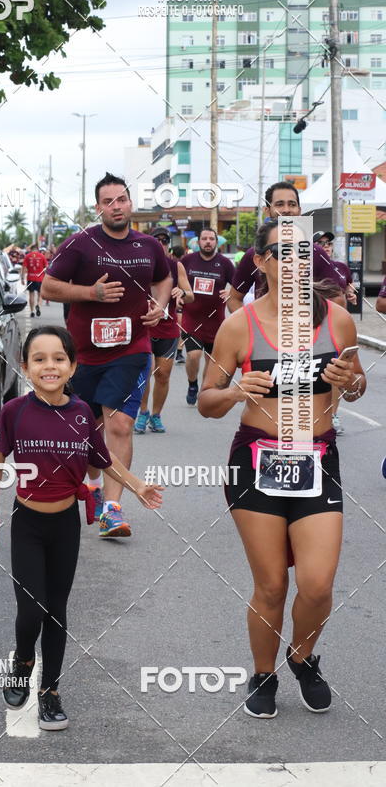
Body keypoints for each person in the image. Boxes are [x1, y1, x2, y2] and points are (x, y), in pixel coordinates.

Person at [199, 219, 366, 719]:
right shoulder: (239, 326)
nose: (294, 262)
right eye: (282, 253)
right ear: (260, 262)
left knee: (317, 583)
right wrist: (233, 392)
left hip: (317, 457)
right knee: (271, 584)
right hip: (257, 460)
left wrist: (349, 380)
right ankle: (263, 672)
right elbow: (208, 401)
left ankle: (303, 656)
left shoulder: (336, 321)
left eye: (302, 252)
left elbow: (356, 386)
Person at [0, 326, 163, 730]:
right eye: (40, 359)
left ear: (73, 366)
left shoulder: (81, 414)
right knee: (31, 609)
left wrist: (138, 486)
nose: (50, 366)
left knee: (56, 610)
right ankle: (23, 660)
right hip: (26, 522)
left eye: (59, 358)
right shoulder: (14, 412)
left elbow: (106, 459)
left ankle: (50, 692)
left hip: (64, 525)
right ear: (25, 367)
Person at [41, 172, 172, 538]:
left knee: (119, 425)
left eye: (122, 199)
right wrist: (91, 294)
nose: (116, 207)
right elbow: (49, 287)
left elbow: (164, 279)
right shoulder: (79, 245)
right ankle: (94, 486)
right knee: (87, 431)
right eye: (108, 201)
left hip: (131, 350)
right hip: (83, 355)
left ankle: (113, 509)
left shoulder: (149, 245)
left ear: (131, 203)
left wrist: (160, 305)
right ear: (98, 207)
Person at [227, 183, 348, 313]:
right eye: (279, 204)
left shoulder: (316, 252)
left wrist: (317, 328)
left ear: (299, 210)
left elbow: (338, 300)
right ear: (267, 210)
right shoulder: (255, 255)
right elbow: (233, 299)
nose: (286, 210)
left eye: (292, 204)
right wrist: (251, 327)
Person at [134, 228, 193, 434]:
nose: (160, 243)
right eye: (155, 240)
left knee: (163, 375)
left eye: (164, 240)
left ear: (168, 244)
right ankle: (142, 412)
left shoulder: (176, 266)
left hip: (168, 329)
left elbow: (191, 296)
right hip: (144, 328)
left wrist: (182, 292)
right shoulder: (139, 264)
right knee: (145, 372)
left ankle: (156, 415)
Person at [180, 228, 234, 406]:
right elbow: (175, 280)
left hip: (216, 321)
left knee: (210, 361)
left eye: (212, 239)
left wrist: (230, 292)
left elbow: (240, 287)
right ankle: (192, 384)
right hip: (191, 318)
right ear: (198, 242)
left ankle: (203, 389)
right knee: (194, 355)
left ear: (216, 242)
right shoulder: (187, 261)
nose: (208, 242)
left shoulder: (225, 264)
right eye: (204, 239)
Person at [314, 230, 357, 435]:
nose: (326, 246)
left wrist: (350, 293)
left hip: (338, 329)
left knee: (337, 373)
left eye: (328, 243)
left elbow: (347, 288)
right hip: (315, 328)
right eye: (320, 243)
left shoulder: (341, 268)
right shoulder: (309, 266)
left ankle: (332, 415)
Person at [22, 243, 47, 317]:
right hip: (40, 278)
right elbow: (46, 268)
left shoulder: (27, 256)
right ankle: (38, 305)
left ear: (31, 249)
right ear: (37, 249)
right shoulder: (42, 256)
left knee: (31, 295)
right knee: (40, 295)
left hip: (30, 278)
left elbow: (24, 268)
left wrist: (22, 278)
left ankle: (32, 311)